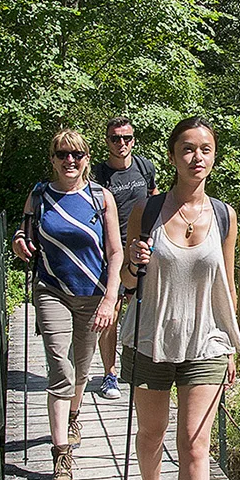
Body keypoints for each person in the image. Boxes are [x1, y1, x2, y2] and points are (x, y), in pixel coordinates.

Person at [120, 116, 240, 480]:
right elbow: (128, 285)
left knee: (194, 444)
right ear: (172, 156)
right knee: (150, 434)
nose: (197, 157)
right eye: (188, 149)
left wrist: (235, 345)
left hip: (206, 342)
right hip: (152, 337)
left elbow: (227, 287)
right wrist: (132, 265)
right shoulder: (145, 213)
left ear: (214, 156)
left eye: (206, 149)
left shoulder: (225, 216)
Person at [12, 128, 124, 480]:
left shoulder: (100, 198)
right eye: (62, 154)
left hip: (92, 294)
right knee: (60, 368)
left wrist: (110, 298)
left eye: (76, 155)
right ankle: (61, 453)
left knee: (80, 368)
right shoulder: (40, 194)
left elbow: (115, 252)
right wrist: (18, 240)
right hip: (52, 290)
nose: (69, 161)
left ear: (87, 159)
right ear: (53, 159)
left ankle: (74, 415)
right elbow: (24, 230)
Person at [91, 116, 158, 400]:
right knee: (112, 312)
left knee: (142, 309)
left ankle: (140, 368)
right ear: (107, 141)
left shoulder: (145, 167)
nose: (122, 144)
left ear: (133, 140)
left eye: (127, 138)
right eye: (115, 138)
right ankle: (109, 373)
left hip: (143, 248)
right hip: (112, 252)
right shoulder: (97, 174)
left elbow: (155, 198)